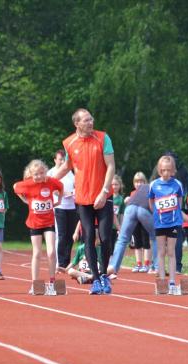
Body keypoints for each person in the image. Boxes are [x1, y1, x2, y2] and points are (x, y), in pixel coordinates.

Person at [52, 108, 116, 295]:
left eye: (91, 119)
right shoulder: (69, 143)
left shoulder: (103, 138)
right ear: (77, 123)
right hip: (83, 198)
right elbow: (67, 166)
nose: (90, 122)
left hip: (103, 196)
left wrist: (104, 192)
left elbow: (111, 165)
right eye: (86, 120)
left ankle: (104, 275)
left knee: (105, 237)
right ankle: (95, 279)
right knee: (87, 237)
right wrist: (50, 181)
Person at [148, 155, 188, 291]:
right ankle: (162, 281)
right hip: (160, 223)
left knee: (171, 252)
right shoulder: (154, 185)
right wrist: (157, 214)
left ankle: (172, 282)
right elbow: (151, 203)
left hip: (173, 223)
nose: (166, 173)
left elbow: (178, 205)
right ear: (159, 170)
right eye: (163, 170)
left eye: (169, 170)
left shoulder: (177, 185)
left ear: (173, 170)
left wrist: (183, 220)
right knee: (161, 252)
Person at [14, 159, 63, 293]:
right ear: (31, 174)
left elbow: (61, 186)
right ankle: (35, 284)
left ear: (45, 172)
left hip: (49, 222)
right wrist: (25, 200)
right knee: (37, 253)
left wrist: (59, 200)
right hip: (35, 223)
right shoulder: (28, 184)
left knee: (51, 252)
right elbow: (15, 187)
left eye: (41, 173)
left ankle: (52, 282)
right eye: (36, 174)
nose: (39, 176)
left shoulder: (51, 182)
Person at [106, 171, 157, 277]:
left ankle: (113, 266)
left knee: (122, 239)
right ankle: (156, 267)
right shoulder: (158, 188)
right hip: (144, 209)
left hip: (130, 208)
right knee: (155, 237)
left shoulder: (139, 190)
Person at [49, 149, 78, 272]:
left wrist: (73, 192)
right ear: (55, 160)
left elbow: (76, 186)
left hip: (71, 207)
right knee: (61, 235)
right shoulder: (51, 173)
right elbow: (51, 189)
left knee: (70, 236)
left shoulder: (70, 172)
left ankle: (66, 262)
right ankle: (59, 263)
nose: (62, 162)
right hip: (59, 207)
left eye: (64, 159)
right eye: (60, 159)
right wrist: (62, 193)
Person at [111, 175, 125, 256]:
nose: (114, 186)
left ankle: (111, 261)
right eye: (112, 184)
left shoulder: (120, 199)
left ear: (120, 185)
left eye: (116, 184)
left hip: (114, 227)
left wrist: (121, 227)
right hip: (106, 225)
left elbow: (122, 214)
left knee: (113, 245)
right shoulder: (107, 197)